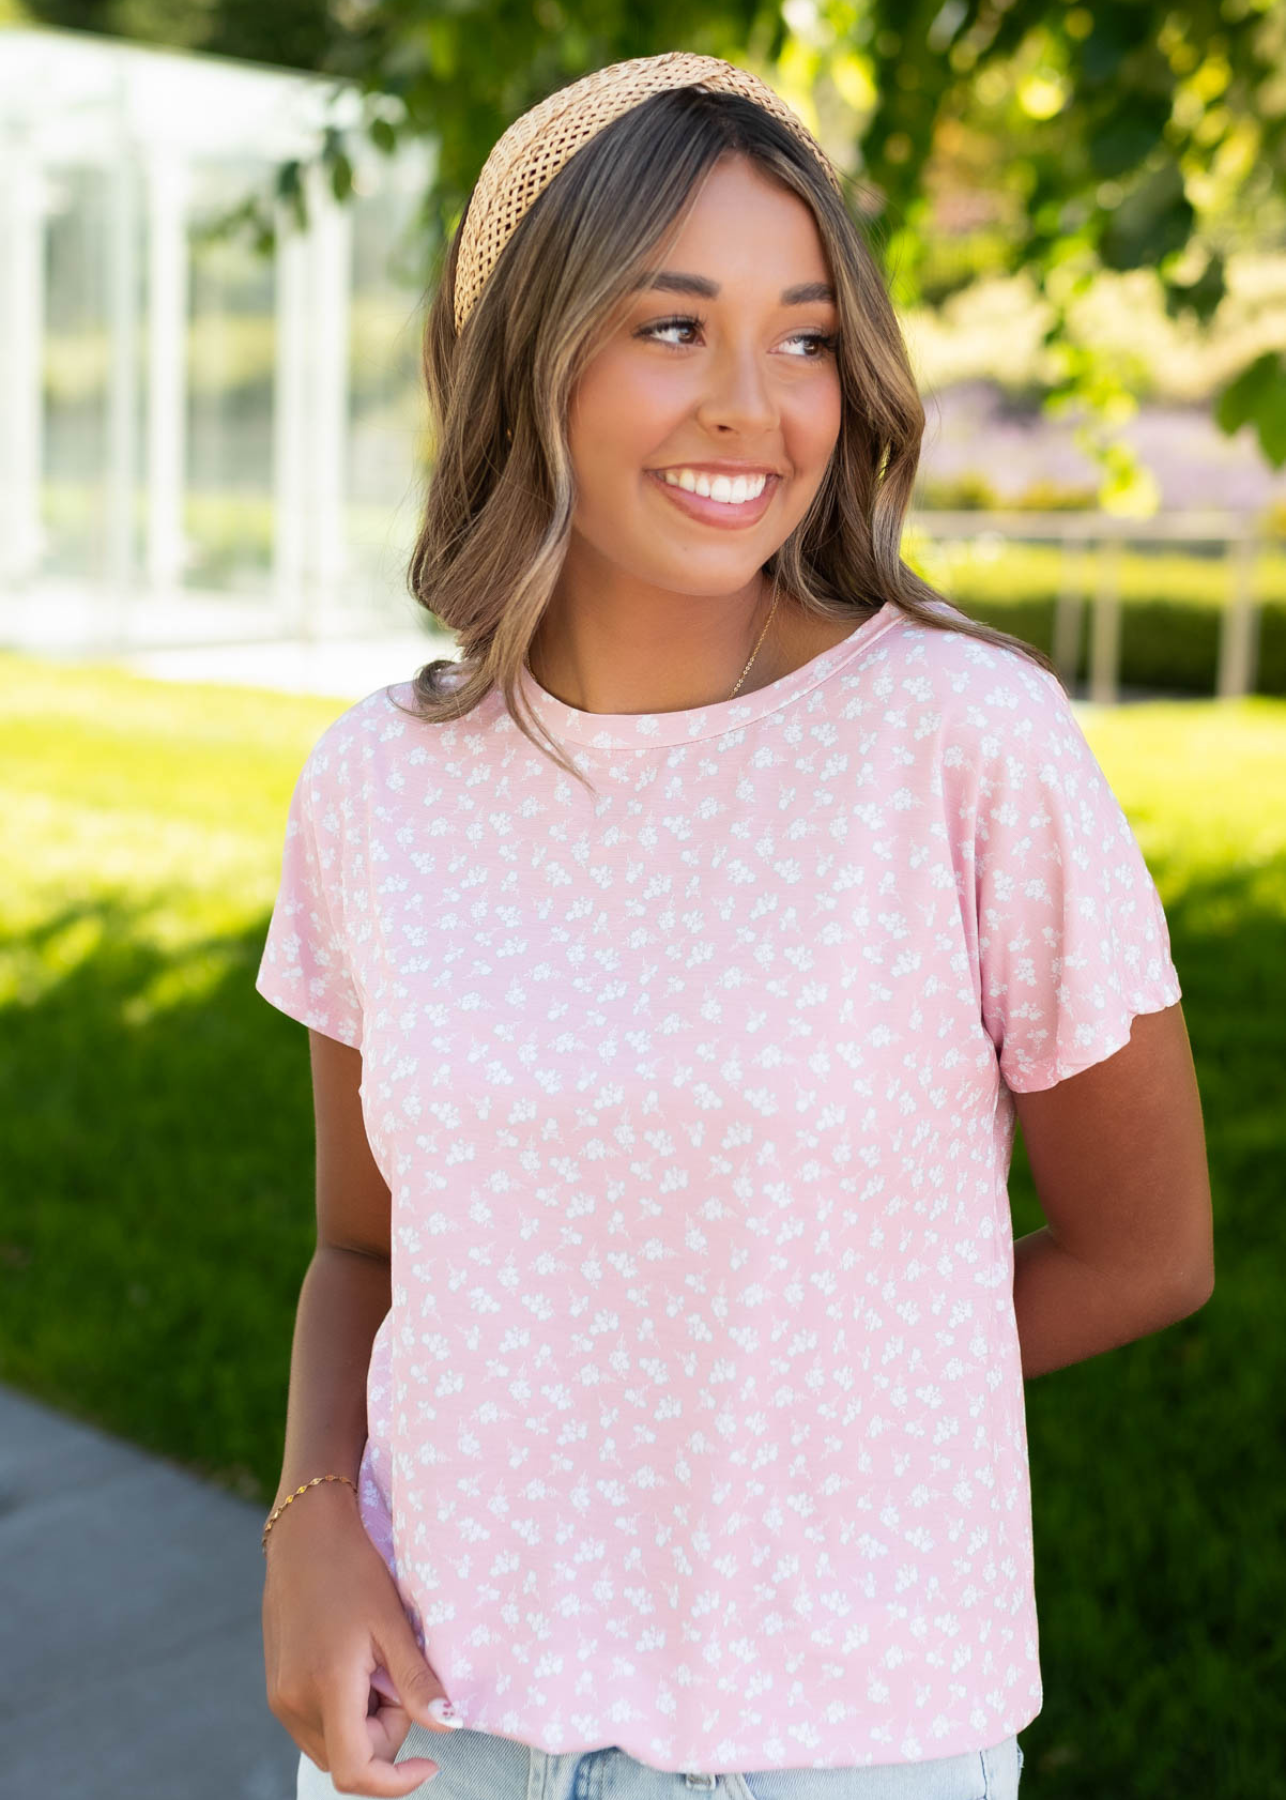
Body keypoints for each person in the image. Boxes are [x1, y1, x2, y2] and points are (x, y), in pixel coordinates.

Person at [254, 49, 1214, 1800]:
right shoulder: (377, 787)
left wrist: (791, 1384)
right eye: (671, 327)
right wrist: (311, 1523)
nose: (754, 406)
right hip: (434, 1733)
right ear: (523, 357)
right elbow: (365, 1257)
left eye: (806, 336)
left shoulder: (960, 745)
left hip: (838, 1742)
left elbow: (1148, 1249)